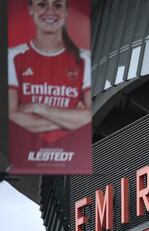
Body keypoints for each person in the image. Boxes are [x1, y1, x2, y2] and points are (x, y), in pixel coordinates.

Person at [8, 0, 91, 144]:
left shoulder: (83, 58)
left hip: (72, 152)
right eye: (42, 4)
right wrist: (71, 118)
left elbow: (89, 118)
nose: (50, 11)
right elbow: (13, 118)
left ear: (66, 11)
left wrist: (39, 108)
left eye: (58, 5)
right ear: (30, 9)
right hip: (30, 153)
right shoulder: (14, 56)